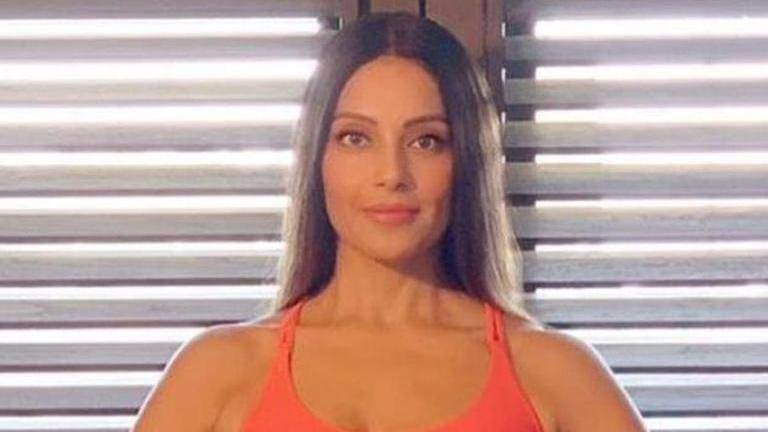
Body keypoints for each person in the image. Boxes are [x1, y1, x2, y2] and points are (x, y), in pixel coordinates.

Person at [131, 11, 648, 432]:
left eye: (426, 141)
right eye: (356, 138)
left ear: (464, 162)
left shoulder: (554, 373)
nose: (392, 174)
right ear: (318, 159)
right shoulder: (217, 372)